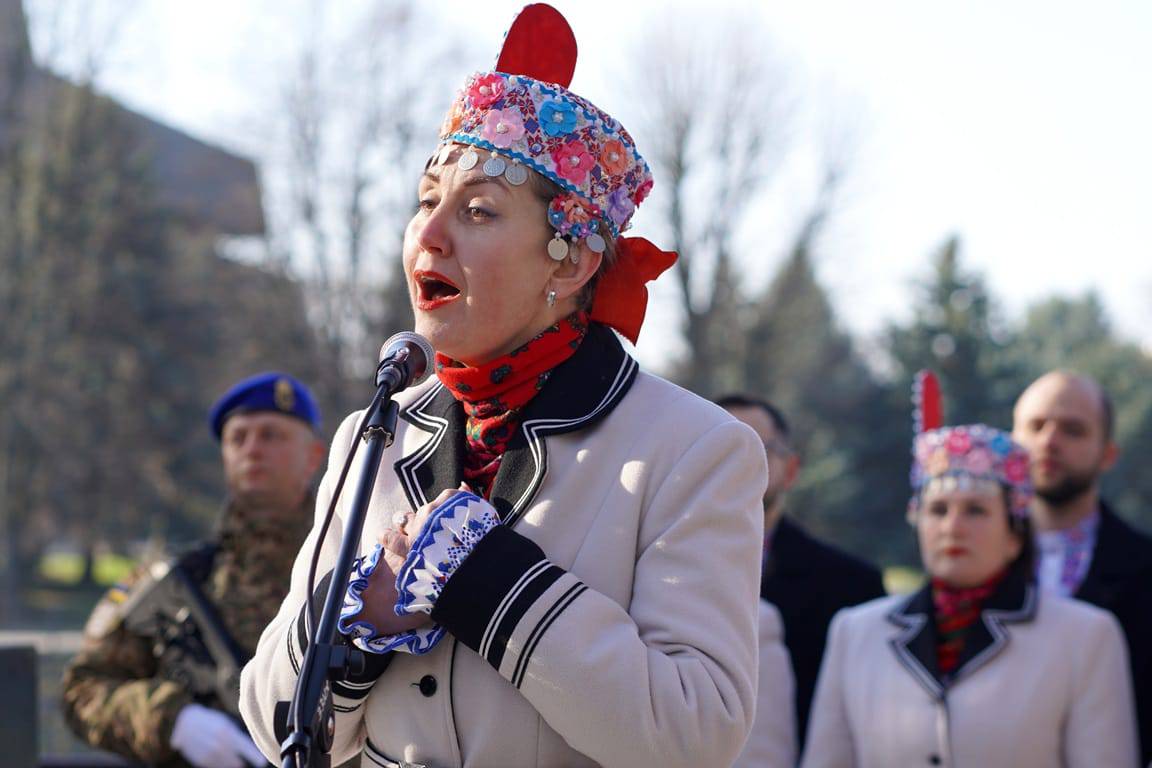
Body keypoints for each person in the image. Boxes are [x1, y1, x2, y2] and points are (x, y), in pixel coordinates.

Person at [239, 6, 768, 767]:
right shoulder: (373, 435)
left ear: (571, 261)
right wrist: (358, 623)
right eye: (427, 201)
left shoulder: (696, 450)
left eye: (479, 210)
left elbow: (694, 733)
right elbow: (272, 724)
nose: (429, 234)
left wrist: (486, 581)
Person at [802, 423, 1138, 767]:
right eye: (938, 510)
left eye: (976, 510)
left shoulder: (1083, 637)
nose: (952, 528)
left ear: (1014, 535)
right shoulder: (855, 633)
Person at [62, 372, 325, 768]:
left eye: (271, 435)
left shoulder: (353, 572)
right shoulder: (176, 584)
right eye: (238, 438)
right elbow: (82, 692)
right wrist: (173, 721)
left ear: (314, 456)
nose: (253, 449)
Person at [717, 393, 885, 752]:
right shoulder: (643, 568)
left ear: (791, 470)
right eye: (717, 448)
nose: (733, 463)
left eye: (755, 448)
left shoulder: (851, 587)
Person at [1013, 370, 1152, 765]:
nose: (1048, 442)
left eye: (1072, 430)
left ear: (1108, 454)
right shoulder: (974, 564)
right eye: (1036, 426)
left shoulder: (1145, 570)